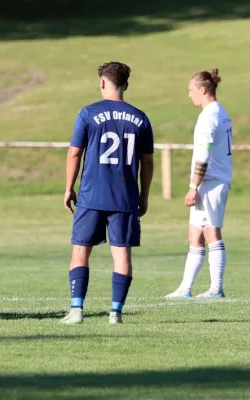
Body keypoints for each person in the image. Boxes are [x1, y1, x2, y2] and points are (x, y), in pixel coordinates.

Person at [60, 61, 154, 324]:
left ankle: (77, 311)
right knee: (121, 253)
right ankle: (115, 313)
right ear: (125, 84)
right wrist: (144, 195)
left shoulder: (88, 113)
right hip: (125, 197)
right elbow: (147, 162)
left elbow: (74, 153)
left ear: (103, 82)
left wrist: (69, 187)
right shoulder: (140, 118)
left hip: (91, 194)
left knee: (81, 250)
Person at [165, 69, 232, 299]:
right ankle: (185, 288)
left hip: (211, 182)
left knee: (211, 232)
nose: (189, 95)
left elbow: (204, 154)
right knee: (195, 235)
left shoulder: (209, 116)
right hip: (212, 181)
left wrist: (194, 187)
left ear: (203, 90)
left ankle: (216, 289)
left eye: (191, 90)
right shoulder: (220, 112)